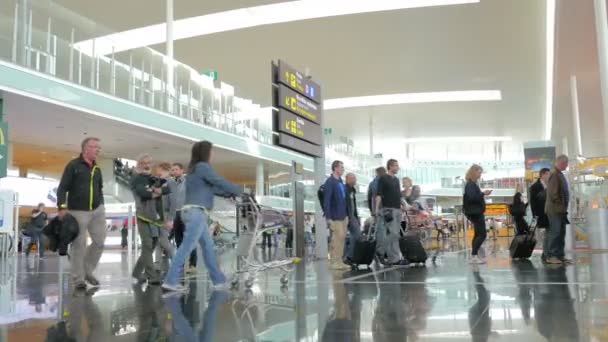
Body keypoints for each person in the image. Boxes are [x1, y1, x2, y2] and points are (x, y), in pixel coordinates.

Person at [163, 141, 242, 292]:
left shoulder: (193, 170)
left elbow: (212, 188)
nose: (213, 154)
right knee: (187, 246)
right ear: (206, 152)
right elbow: (217, 181)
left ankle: (219, 280)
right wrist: (239, 190)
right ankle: (170, 280)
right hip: (196, 212)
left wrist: (229, 193)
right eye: (211, 151)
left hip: (192, 212)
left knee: (208, 247)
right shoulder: (202, 167)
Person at [57, 137, 106, 290]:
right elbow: (62, 187)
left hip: (97, 210)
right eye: (94, 147)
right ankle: (78, 278)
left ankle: (87, 270)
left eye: (99, 147)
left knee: (99, 242)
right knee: (79, 244)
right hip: (78, 210)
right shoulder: (73, 165)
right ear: (85, 149)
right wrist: (62, 207)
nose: (98, 149)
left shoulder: (97, 168)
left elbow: (99, 188)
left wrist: (102, 205)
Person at [130, 154, 169, 285]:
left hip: (155, 216)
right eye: (144, 163)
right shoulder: (136, 178)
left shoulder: (151, 178)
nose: (146, 165)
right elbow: (144, 194)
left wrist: (155, 190)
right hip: (143, 216)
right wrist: (157, 191)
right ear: (139, 164)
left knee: (151, 245)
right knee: (147, 244)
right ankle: (151, 276)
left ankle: (137, 272)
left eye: (149, 163)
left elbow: (167, 188)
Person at [375, 159, 407, 266]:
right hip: (388, 210)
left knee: (396, 235)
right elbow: (379, 195)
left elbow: (399, 196)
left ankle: (394, 258)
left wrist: (405, 205)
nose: (398, 168)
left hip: (397, 209)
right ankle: (380, 250)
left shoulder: (396, 180)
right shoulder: (383, 179)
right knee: (393, 233)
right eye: (396, 166)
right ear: (390, 166)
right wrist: (376, 209)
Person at [167, 162, 197, 273]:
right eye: (172, 170)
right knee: (178, 240)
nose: (174, 171)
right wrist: (169, 218)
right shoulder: (170, 183)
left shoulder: (188, 181)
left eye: (176, 169)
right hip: (176, 214)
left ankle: (193, 265)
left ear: (181, 170)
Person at [323, 160, 350, 270]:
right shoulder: (330, 182)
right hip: (335, 216)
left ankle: (339, 260)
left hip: (343, 215)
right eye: (341, 167)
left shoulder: (340, 182)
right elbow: (327, 201)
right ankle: (334, 261)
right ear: (335, 168)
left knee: (342, 238)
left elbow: (344, 200)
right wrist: (328, 218)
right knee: (336, 238)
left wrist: (347, 215)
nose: (343, 170)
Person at [544, 155, 571, 265]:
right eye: (566, 163)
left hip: (560, 210)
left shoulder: (558, 174)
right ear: (561, 163)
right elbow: (554, 194)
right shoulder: (554, 174)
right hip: (555, 210)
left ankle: (559, 255)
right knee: (555, 233)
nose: (567, 165)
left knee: (561, 233)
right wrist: (560, 205)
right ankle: (552, 255)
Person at [463, 164, 492, 264]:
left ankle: (474, 256)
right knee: (482, 234)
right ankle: (474, 256)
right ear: (474, 172)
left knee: (477, 234)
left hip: (475, 211)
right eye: (479, 172)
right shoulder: (470, 185)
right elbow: (472, 198)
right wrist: (483, 193)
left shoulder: (472, 184)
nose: (480, 175)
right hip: (475, 212)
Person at [153, 162, 176, 269]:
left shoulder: (170, 182)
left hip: (166, 215)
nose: (158, 172)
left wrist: (171, 218)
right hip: (159, 215)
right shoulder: (161, 183)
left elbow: (173, 202)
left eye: (160, 170)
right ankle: (157, 264)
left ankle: (176, 262)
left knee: (163, 240)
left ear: (165, 170)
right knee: (158, 239)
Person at [530, 168, 550, 260]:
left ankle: (547, 252)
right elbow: (533, 202)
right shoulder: (535, 186)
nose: (549, 176)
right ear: (543, 175)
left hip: (549, 213)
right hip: (540, 214)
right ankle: (545, 253)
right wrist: (535, 215)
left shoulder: (549, 185)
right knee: (542, 234)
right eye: (548, 174)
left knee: (548, 233)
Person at [344, 173, 361, 263]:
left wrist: (356, 217)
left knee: (357, 235)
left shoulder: (352, 190)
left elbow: (354, 205)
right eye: (352, 178)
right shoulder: (344, 189)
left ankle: (350, 256)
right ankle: (348, 256)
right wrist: (347, 216)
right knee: (355, 234)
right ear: (347, 179)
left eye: (355, 178)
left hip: (352, 216)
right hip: (347, 215)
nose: (355, 180)